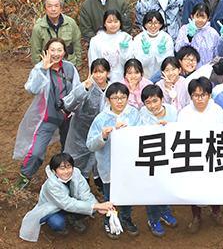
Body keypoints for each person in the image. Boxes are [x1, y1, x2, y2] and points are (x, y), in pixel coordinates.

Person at [15, 38, 81, 189]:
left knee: (69, 151)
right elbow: (32, 89)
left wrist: (73, 109)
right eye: (52, 50)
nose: (56, 53)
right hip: (47, 117)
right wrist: (44, 70)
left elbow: (76, 91)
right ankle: (23, 181)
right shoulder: (39, 68)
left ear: (64, 52)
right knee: (36, 153)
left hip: (68, 117)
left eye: (59, 50)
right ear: (46, 52)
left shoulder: (70, 68)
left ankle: (67, 181)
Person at [86, 82, 141, 238]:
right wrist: (103, 136)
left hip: (129, 164)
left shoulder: (133, 114)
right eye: (115, 98)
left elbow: (141, 136)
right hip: (108, 166)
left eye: (123, 97)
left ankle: (126, 218)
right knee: (110, 196)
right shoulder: (101, 119)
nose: (119, 101)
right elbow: (90, 145)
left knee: (127, 193)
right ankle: (108, 221)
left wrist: (129, 130)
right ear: (108, 100)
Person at [20, 153, 114, 242]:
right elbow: (68, 204)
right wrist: (96, 206)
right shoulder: (51, 185)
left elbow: (85, 194)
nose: (66, 171)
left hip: (70, 204)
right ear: (54, 171)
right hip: (53, 208)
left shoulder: (76, 175)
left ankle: (73, 218)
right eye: (62, 168)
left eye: (69, 167)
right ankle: (60, 226)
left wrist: (97, 206)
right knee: (58, 223)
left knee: (92, 208)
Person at [177, 77, 223, 232]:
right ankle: (196, 217)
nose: (200, 99)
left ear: (209, 95)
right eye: (196, 95)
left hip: (213, 153)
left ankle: (216, 211)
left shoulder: (217, 111)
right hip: (193, 155)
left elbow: (222, 134)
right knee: (194, 186)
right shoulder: (184, 114)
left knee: (214, 184)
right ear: (190, 96)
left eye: (203, 95)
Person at [138, 85, 179, 237]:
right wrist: (155, 130)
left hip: (168, 156)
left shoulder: (172, 111)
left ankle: (164, 210)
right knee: (151, 189)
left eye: (155, 101)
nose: (152, 106)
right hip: (151, 159)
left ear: (162, 99)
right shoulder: (142, 114)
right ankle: (153, 219)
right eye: (148, 102)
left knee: (165, 186)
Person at [63, 58, 110, 189]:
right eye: (95, 72)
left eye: (102, 71)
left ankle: (101, 186)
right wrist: (84, 89)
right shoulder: (86, 86)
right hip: (81, 131)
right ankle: (79, 188)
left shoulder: (112, 89)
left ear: (108, 72)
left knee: (101, 160)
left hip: (102, 132)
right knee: (79, 162)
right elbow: (69, 105)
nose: (98, 75)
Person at [30, 0, 83, 68]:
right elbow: (35, 51)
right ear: (45, 9)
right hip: (48, 66)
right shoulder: (38, 28)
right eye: (49, 6)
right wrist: (39, 69)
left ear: (61, 8)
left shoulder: (70, 23)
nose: (53, 9)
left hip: (68, 64)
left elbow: (76, 44)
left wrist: (78, 63)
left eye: (56, 6)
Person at [87, 10, 132, 82]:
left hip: (123, 79)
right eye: (109, 22)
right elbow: (93, 62)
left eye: (116, 21)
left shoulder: (125, 38)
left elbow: (130, 62)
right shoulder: (96, 40)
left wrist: (125, 51)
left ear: (120, 23)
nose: (113, 24)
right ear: (104, 23)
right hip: (103, 81)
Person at [130, 11, 174, 79]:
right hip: (143, 77)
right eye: (150, 23)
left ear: (161, 24)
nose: (153, 26)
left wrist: (161, 54)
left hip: (162, 77)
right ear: (145, 25)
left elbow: (169, 63)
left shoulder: (166, 38)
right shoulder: (139, 39)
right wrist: (146, 54)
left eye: (156, 23)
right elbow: (138, 63)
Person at [175, 3, 221, 67]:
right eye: (197, 16)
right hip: (188, 68)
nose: (200, 20)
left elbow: (217, 54)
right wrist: (189, 37)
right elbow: (178, 49)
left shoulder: (213, 33)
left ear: (208, 18)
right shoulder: (184, 29)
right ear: (192, 17)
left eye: (203, 17)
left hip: (207, 69)